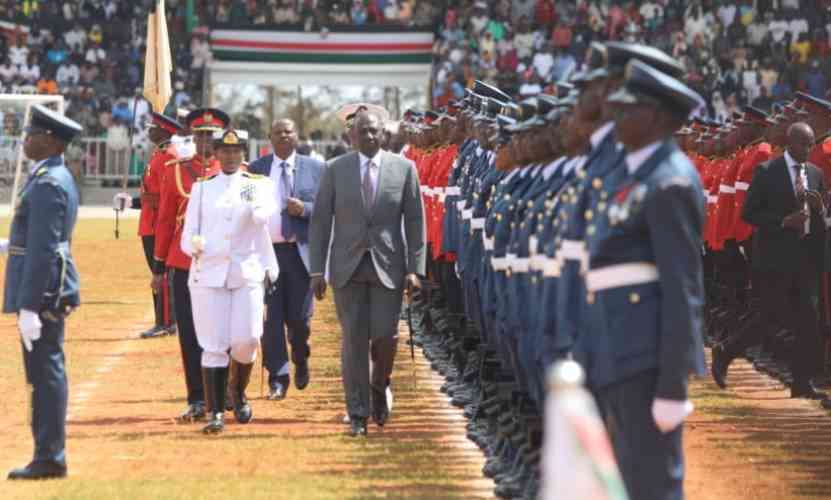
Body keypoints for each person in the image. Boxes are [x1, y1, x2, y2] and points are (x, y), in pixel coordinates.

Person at [577, 59, 706, 500]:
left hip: (646, 361)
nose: (618, 117)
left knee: (652, 484)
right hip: (618, 349)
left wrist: (673, 384)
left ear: (657, 117)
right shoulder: (639, 174)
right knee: (626, 481)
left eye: (629, 110)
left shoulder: (671, 181)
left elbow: (682, 288)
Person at [309, 110, 426, 436]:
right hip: (347, 267)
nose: (368, 137)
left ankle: (379, 385)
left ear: (384, 135)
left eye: (374, 131)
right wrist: (316, 269)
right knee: (354, 342)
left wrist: (416, 268)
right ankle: (358, 414)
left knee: (386, 336)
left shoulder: (404, 169)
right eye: (362, 132)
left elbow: (416, 220)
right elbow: (320, 221)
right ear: (352, 136)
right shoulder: (335, 170)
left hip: (389, 267)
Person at [712, 121, 828, 399]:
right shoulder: (768, 171)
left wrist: (819, 209)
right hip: (775, 258)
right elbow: (749, 213)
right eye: (803, 144)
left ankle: (801, 383)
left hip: (805, 258)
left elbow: (820, 220)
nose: (808, 150)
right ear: (790, 143)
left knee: (807, 322)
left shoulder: (815, 173)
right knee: (769, 316)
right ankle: (726, 351)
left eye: (811, 144)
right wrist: (782, 221)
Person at [181, 128, 279, 434]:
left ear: (243, 155)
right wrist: (194, 245)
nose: (230, 156)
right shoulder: (202, 188)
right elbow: (188, 235)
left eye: (236, 152)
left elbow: (267, 212)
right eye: (224, 151)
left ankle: (237, 391)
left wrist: (261, 211)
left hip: (246, 271)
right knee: (213, 344)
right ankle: (216, 413)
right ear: (216, 154)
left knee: (247, 340)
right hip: (209, 273)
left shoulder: (256, 185)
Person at [4, 105, 83, 480]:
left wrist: (30, 306)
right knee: (45, 372)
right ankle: (48, 452)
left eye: (32, 133)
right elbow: (35, 237)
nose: (26, 139)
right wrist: (11, 243)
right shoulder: (51, 176)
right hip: (48, 286)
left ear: (50, 140)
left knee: (46, 374)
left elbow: (43, 249)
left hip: (45, 292)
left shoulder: (49, 182)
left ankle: (50, 456)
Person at [153, 108, 228, 422]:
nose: (205, 141)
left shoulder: (237, 171)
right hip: (184, 263)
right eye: (199, 135)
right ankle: (197, 398)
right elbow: (166, 219)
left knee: (224, 332)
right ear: (191, 137)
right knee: (190, 333)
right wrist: (158, 267)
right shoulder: (175, 169)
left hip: (223, 264)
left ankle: (228, 394)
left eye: (211, 135)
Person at [248, 118, 324, 400]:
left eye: (288, 131)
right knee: (272, 319)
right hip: (268, 254)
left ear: (297, 136)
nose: (283, 136)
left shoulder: (316, 168)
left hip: (301, 254)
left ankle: (301, 357)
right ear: (269, 137)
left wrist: (305, 209)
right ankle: (277, 377)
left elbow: (328, 209)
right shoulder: (256, 170)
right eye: (278, 132)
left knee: (300, 320)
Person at [114, 112, 182, 338]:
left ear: (163, 130)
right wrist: (132, 201)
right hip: (150, 221)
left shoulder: (167, 156)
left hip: (157, 225)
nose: (149, 130)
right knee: (159, 273)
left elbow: (165, 196)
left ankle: (165, 322)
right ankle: (165, 320)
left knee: (160, 273)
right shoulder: (160, 154)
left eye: (152, 127)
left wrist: (137, 201)